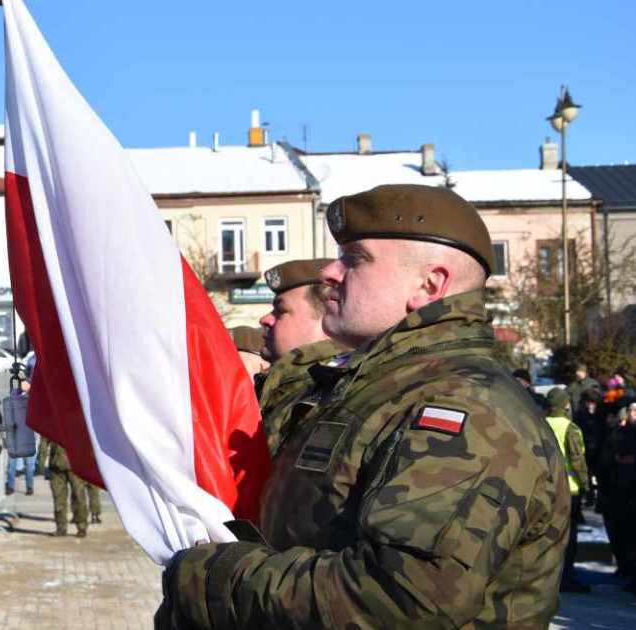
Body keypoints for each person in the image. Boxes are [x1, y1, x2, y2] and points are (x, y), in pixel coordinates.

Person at [157, 184, 570, 629]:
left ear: (429, 284)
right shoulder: (379, 387)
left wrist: (213, 576)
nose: (330, 273)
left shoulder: (462, 403)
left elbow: (399, 600)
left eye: (355, 258)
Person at [256, 258, 351, 453]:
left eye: (280, 311)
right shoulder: (281, 385)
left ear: (327, 320)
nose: (265, 319)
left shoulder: (329, 395)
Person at [543, 387, 592, 592]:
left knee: (548, 534)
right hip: (569, 491)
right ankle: (567, 577)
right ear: (565, 405)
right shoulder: (570, 428)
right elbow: (577, 460)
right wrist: (587, 486)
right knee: (568, 536)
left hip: (545, 488)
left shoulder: (539, 424)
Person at [600, 402, 636, 593]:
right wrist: (616, 459)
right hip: (620, 491)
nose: (631, 414)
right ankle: (627, 570)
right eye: (630, 410)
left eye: (634, 410)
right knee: (624, 534)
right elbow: (605, 457)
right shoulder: (618, 434)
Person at [37, 437, 87, 537]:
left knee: (78, 496)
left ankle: (81, 526)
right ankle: (61, 527)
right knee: (58, 497)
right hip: (56, 467)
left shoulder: (78, 421)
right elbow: (44, 441)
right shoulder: (52, 422)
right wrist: (41, 462)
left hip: (76, 465)